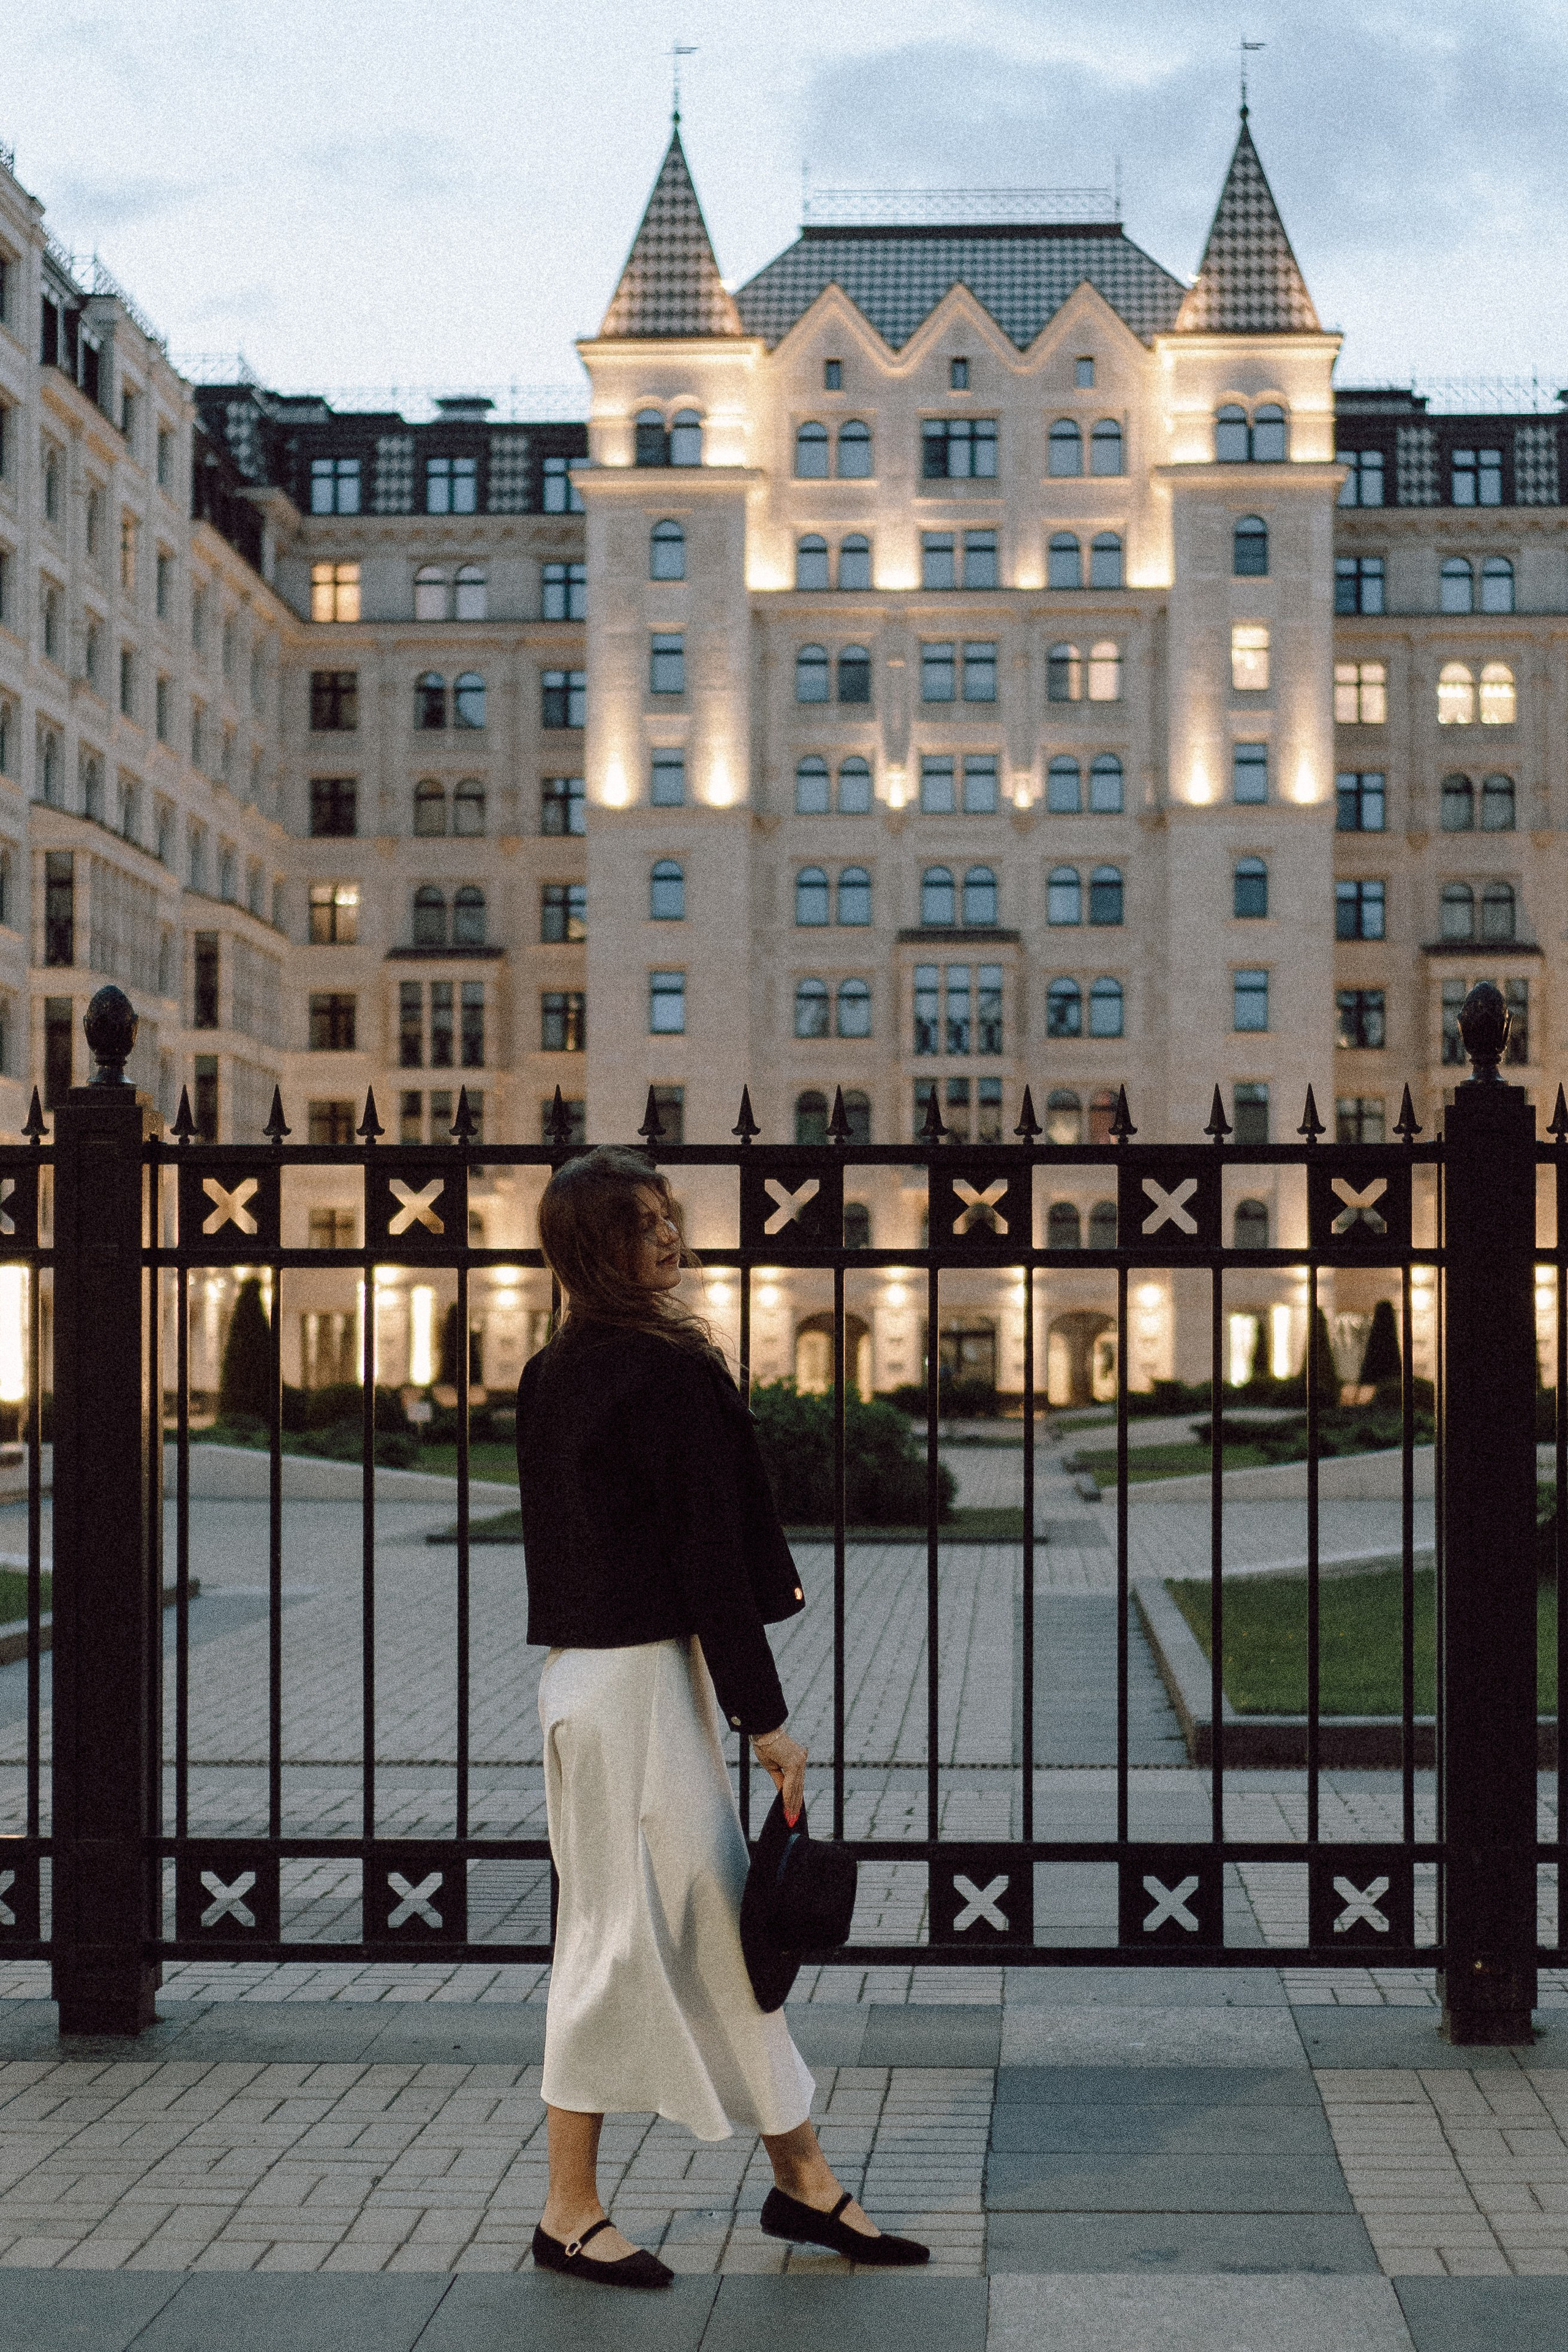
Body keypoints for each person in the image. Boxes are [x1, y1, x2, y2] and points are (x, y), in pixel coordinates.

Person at [517, 1146, 929, 2286]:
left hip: (592, 1689)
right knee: (624, 1942)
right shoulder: (663, 1373)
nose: (668, 1237)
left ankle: (802, 2182)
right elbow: (705, 1562)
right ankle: (571, 2207)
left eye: (666, 1216)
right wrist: (768, 1724)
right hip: (637, 1693)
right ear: (595, 1247)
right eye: (641, 1224)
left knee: (705, 1937)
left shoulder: (553, 1372)